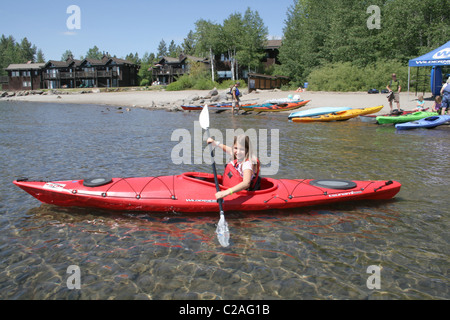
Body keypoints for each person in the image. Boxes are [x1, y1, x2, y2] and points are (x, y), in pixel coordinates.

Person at [207, 134, 260, 200]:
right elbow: (228, 149)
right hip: (230, 188)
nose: (238, 152)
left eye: (242, 149)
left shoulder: (247, 164)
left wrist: (226, 192)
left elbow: (246, 183)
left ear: (247, 150)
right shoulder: (238, 154)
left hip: (242, 193)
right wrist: (215, 143)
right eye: (236, 148)